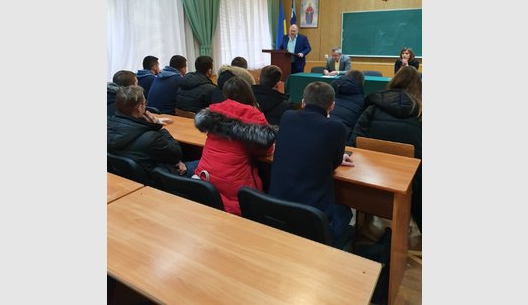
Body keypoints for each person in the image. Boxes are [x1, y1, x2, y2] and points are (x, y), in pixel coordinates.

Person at [268, 82, 354, 248]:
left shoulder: (287, 116)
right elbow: (334, 164)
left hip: (276, 209)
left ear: (303, 102)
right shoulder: (337, 127)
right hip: (312, 218)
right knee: (345, 211)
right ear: (332, 106)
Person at [350, 66, 422, 232]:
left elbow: (355, 141)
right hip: (409, 186)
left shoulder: (373, 107)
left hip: (368, 179)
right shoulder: (420, 113)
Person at [193, 77, 276, 215]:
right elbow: (264, 149)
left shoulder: (214, 110)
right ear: (248, 93)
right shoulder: (253, 115)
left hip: (206, 181)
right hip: (235, 192)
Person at [107, 85, 198, 179]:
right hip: (161, 179)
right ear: (140, 108)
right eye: (145, 103)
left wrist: (174, 160)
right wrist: (159, 127)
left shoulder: (108, 127)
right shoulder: (151, 138)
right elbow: (177, 153)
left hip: (129, 176)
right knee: (200, 163)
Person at [329, 70, 366, 144]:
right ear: (362, 83)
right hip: (343, 140)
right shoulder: (362, 101)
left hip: (321, 131)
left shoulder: (330, 91)